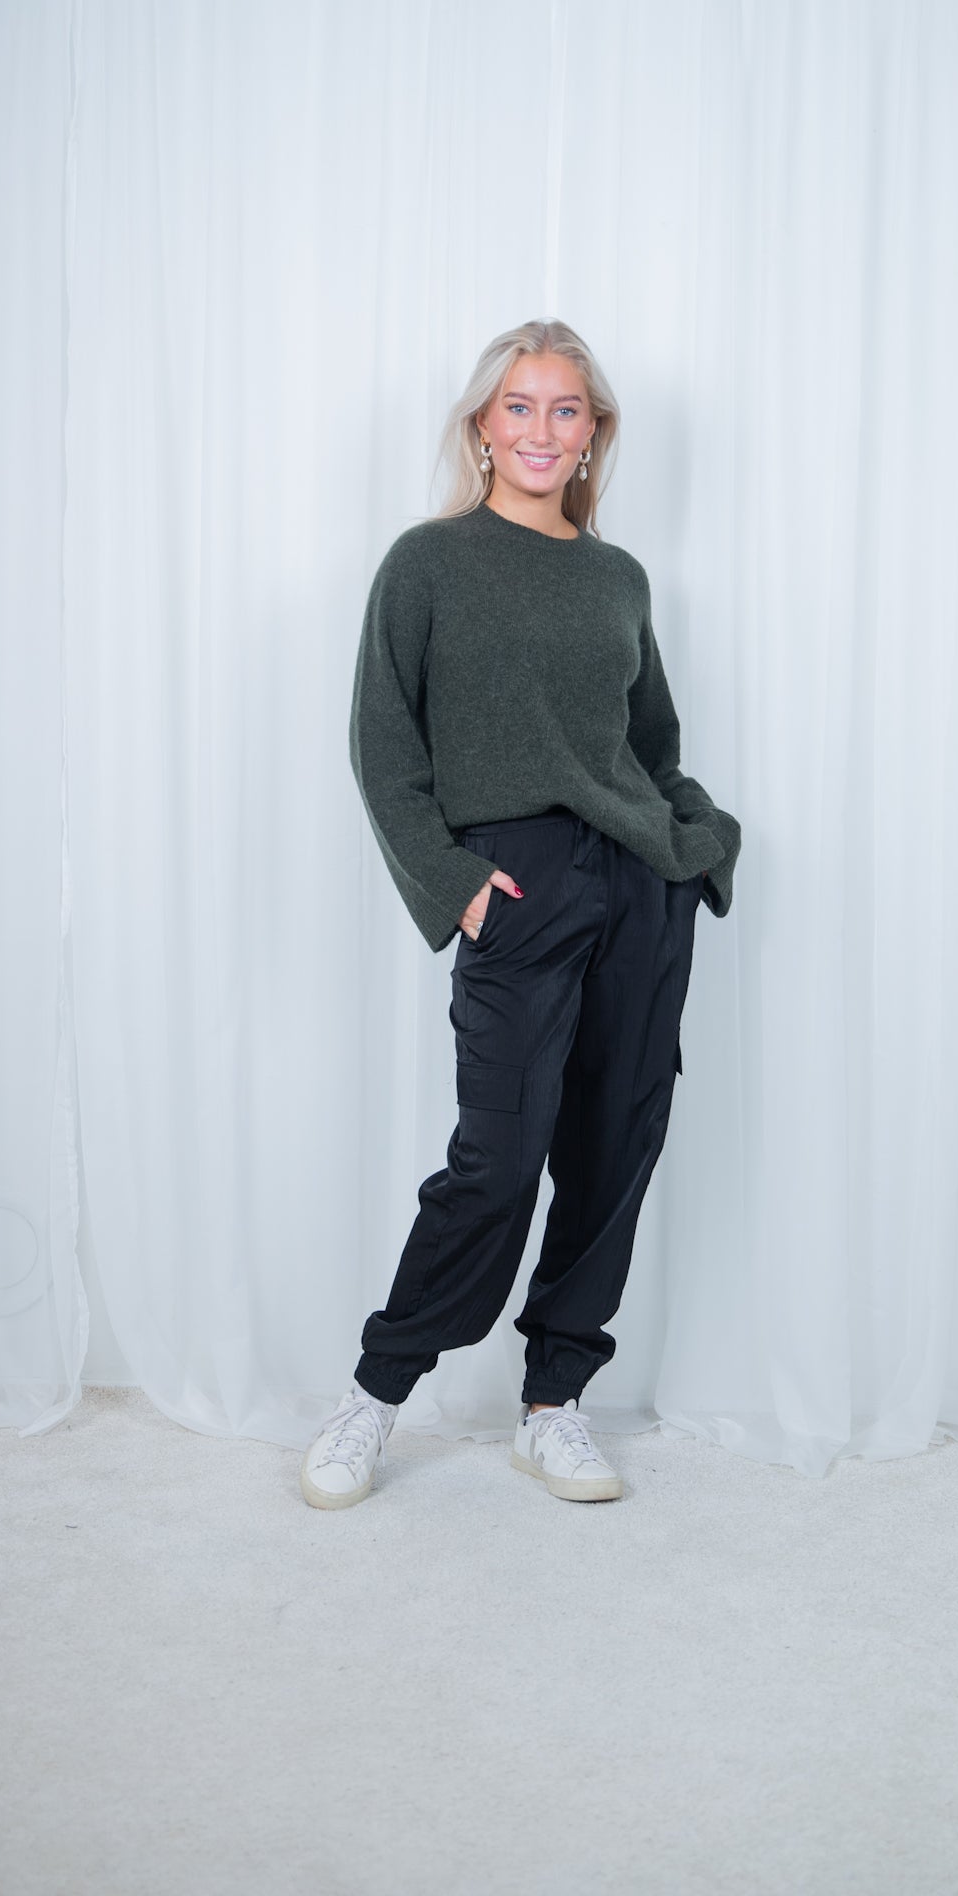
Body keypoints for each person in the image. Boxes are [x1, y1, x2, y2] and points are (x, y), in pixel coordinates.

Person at [300, 318, 741, 1510]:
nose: (542, 429)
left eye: (566, 408)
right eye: (519, 405)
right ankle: (377, 1390)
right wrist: (453, 883)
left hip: (637, 883)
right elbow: (383, 744)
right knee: (497, 1156)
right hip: (515, 883)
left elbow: (650, 748)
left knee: (613, 1143)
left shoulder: (617, 577)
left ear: (592, 433)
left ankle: (555, 1403)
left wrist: (695, 847)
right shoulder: (428, 562)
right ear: (482, 426)